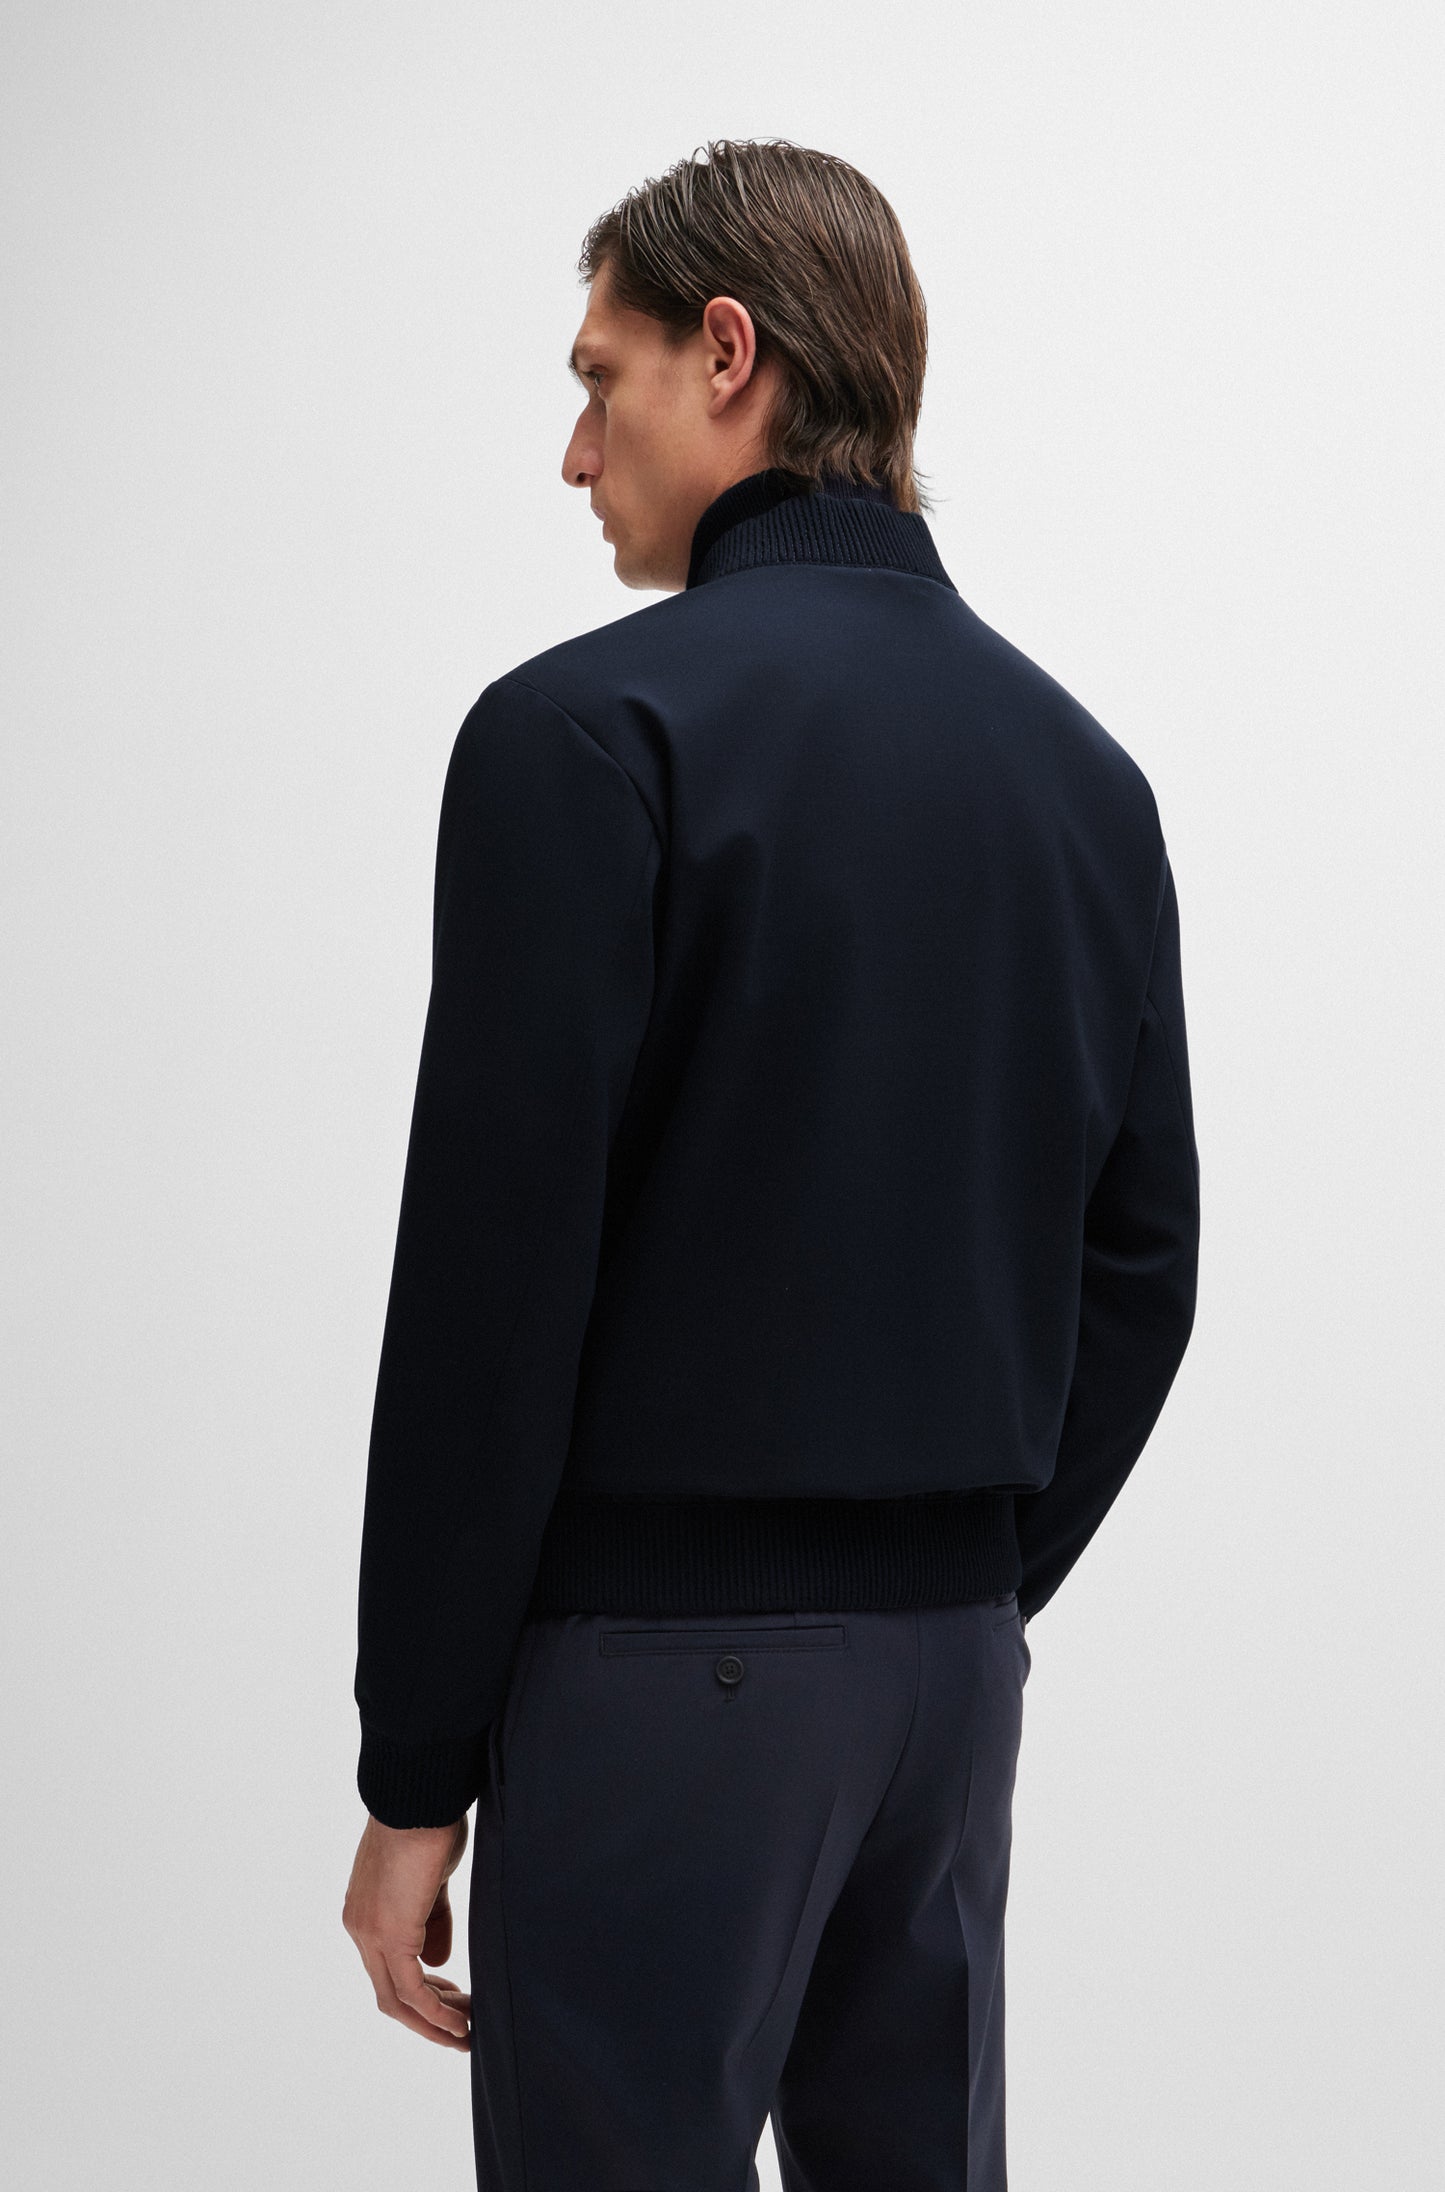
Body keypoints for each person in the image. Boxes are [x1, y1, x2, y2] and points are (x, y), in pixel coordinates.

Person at [342, 136, 1200, 2192]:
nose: (576, 454)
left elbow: (492, 1293)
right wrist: (957, 1586)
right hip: (947, 1688)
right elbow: (1143, 1263)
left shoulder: (583, 736)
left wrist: (415, 1764)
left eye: (601, 378)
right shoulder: (1084, 776)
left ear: (727, 354)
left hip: (660, 1687)